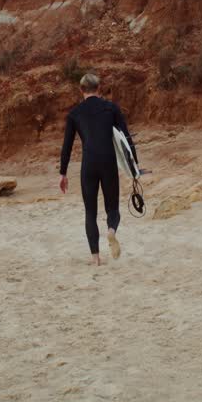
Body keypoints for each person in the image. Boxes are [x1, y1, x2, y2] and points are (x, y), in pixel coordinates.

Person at [59, 73, 138, 266]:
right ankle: (111, 230)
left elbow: (67, 145)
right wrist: (134, 166)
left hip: (89, 164)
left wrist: (63, 173)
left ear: (81, 90)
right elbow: (126, 138)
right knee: (113, 208)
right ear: (99, 88)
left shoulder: (75, 114)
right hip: (108, 162)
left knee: (90, 212)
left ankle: (95, 258)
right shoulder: (111, 108)